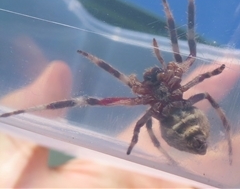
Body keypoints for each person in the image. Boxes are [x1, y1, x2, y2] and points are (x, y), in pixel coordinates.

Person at [0, 59, 239, 188]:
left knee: (131, 118)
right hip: (182, 120)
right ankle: (19, 112)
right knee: (95, 103)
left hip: (180, 123)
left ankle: (18, 112)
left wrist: (96, 61)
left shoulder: (153, 98)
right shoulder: (169, 89)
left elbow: (192, 66)